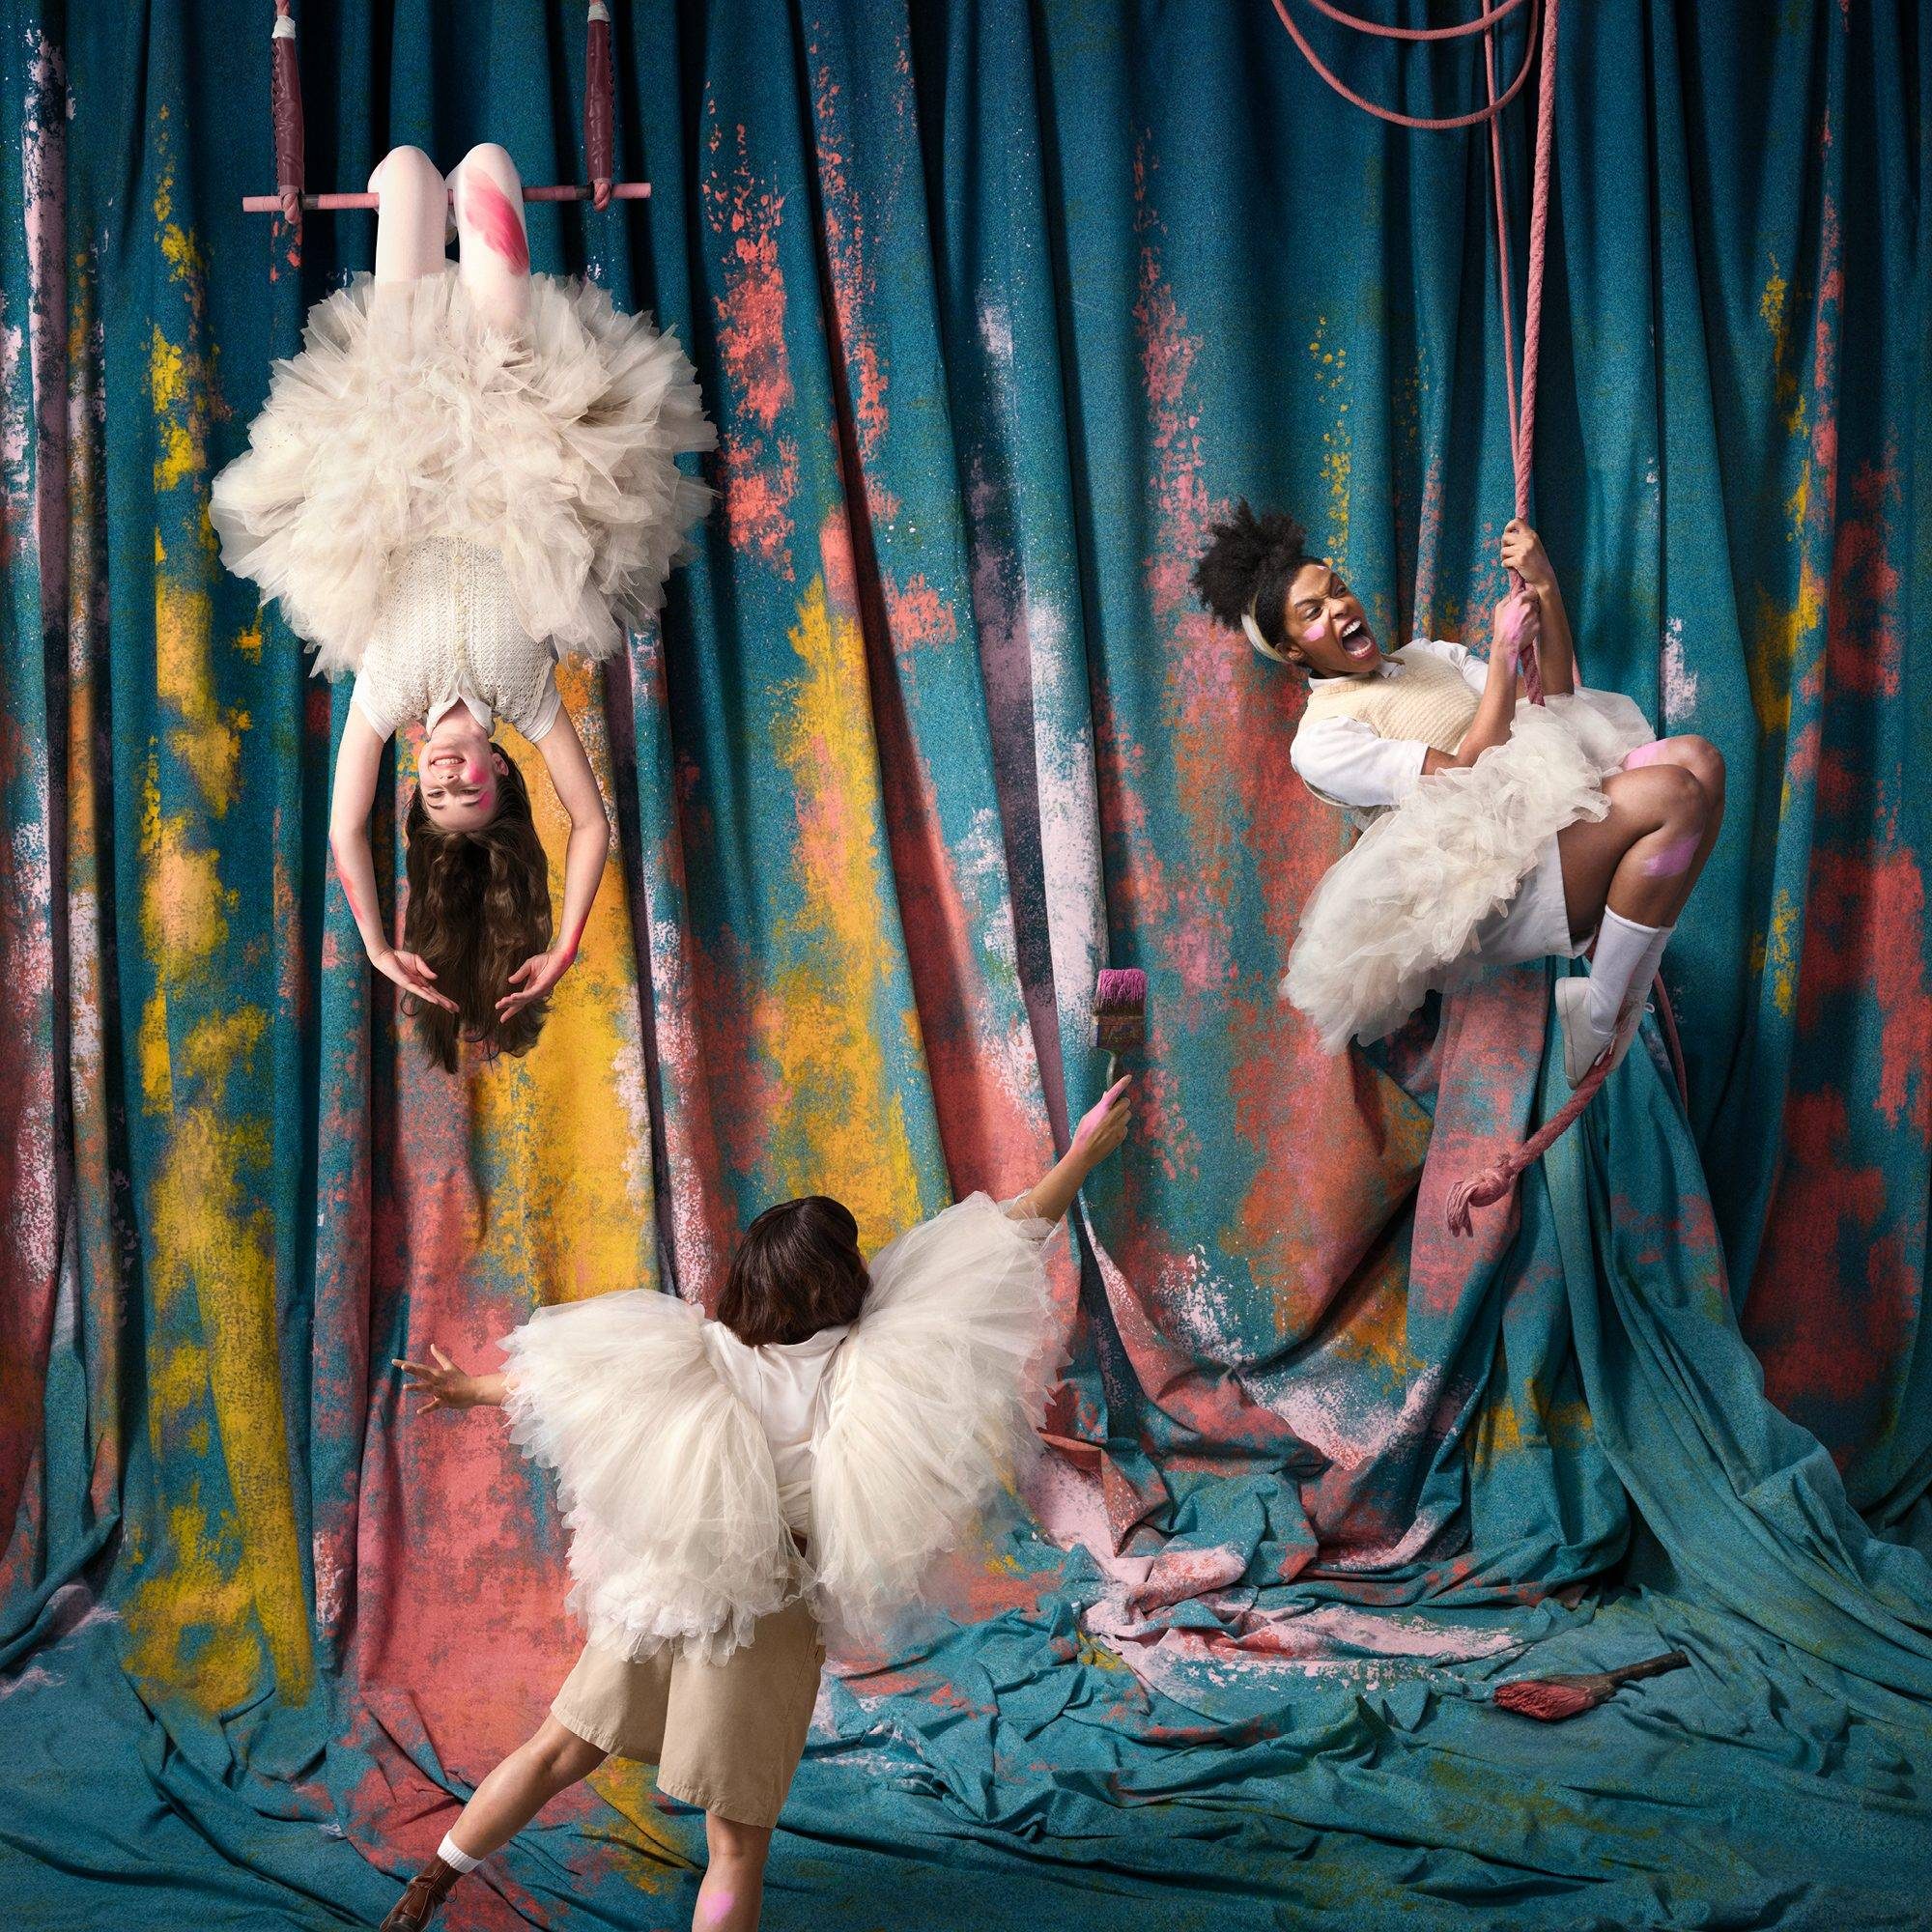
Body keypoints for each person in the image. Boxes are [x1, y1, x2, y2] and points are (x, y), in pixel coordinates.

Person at [378, 1077, 1134, 1932]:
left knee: (559, 1748)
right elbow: (1011, 1233)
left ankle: (426, 1891)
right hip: (763, 1604)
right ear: (839, 1280)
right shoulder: (876, 1348)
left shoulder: (699, 1351)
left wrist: (468, 1387)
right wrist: (1077, 1156)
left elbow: (565, 1385)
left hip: (665, 1585)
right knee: (735, 1844)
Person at [211, 143, 715, 1067]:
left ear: (416, 790)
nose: (447, 777)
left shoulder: (380, 702)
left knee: (403, 173)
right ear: (501, 775)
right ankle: (471, 238)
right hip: (505, 399)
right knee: (486, 169)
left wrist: (373, 943)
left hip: (402, 409)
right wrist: (561, 946)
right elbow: (594, 823)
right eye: (469, 792)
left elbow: (340, 827)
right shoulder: (527, 697)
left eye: (433, 796)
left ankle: (421, 227)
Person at [1194, 503, 1724, 1082]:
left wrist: (1544, 583)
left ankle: (1620, 984)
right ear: (1293, 649)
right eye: (1313, 611)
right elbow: (1462, 770)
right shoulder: (1323, 739)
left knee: (1700, 760)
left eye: (1338, 589)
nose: (1340, 606)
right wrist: (1500, 654)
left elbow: (1553, 697)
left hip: (1543, 816)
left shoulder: (1428, 656)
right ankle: (1600, 1008)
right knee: (1673, 794)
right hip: (1496, 876)